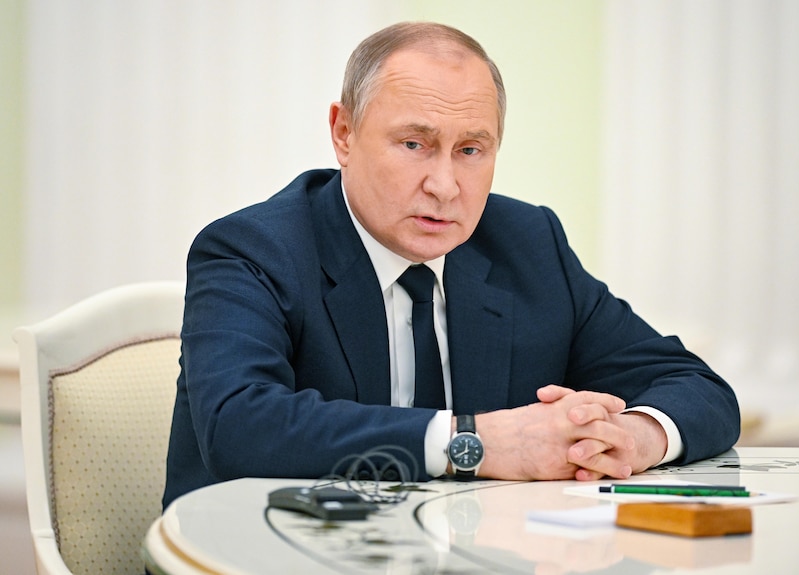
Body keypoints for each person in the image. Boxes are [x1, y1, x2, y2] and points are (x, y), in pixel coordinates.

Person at [162, 21, 740, 508]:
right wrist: (477, 441)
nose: (444, 186)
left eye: (471, 150)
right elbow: (239, 425)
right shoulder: (252, 249)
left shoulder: (528, 243)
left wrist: (632, 437)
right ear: (343, 132)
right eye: (414, 144)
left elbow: (698, 388)